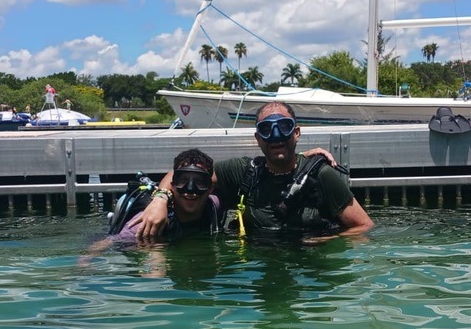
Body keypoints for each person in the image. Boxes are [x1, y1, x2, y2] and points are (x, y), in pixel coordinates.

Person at [137, 101, 373, 240]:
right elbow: (184, 174)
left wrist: (328, 240)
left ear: (296, 133)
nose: (276, 136)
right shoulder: (243, 171)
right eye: (267, 129)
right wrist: (159, 199)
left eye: (284, 127)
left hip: (309, 273)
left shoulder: (321, 175)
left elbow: (364, 226)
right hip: (257, 271)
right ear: (258, 138)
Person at [90, 148, 223, 252]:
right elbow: (110, 242)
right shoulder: (147, 221)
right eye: (182, 181)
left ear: (210, 189)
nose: (190, 190)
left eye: (200, 182)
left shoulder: (213, 206)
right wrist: (85, 261)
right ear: (172, 185)